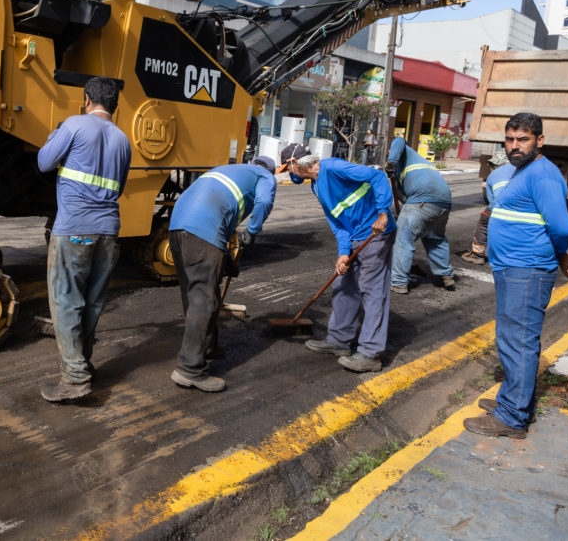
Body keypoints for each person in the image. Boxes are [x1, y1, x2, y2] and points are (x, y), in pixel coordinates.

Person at [464, 112, 568, 439]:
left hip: (527, 270)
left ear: (539, 141)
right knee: (511, 338)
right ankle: (514, 401)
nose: (514, 146)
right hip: (513, 268)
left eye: (523, 139)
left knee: (517, 341)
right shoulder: (523, 170)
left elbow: (561, 227)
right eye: (510, 139)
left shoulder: (543, 176)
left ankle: (512, 417)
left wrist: (562, 253)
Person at [36, 77, 131, 402]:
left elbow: (44, 162)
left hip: (74, 229)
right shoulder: (123, 140)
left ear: (87, 99)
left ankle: (75, 378)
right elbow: (119, 188)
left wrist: (55, 136)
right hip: (108, 232)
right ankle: (83, 365)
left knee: (66, 302)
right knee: (91, 303)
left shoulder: (74, 125)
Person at [167, 157, 278, 392]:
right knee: (204, 300)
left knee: (195, 295)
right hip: (202, 228)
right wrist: (252, 231)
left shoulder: (229, 170)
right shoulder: (265, 176)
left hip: (177, 227)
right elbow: (265, 200)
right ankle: (189, 369)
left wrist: (226, 260)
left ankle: (207, 348)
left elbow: (221, 216)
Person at [282, 142, 395, 372]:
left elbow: (378, 176)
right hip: (353, 237)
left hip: (375, 233)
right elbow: (336, 221)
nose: (288, 174)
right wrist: (343, 252)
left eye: (287, 169)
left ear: (295, 163)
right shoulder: (316, 185)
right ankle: (338, 341)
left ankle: (370, 353)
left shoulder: (334, 167)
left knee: (372, 291)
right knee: (343, 285)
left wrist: (383, 212)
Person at [386, 137, 455, 294]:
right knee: (435, 239)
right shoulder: (414, 165)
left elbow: (399, 140)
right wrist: (406, 214)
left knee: (403, 240)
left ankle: (398, 282)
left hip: (423, 199)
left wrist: (391, 162)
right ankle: (447, 276)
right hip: (443, 202)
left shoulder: (403, 151)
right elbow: (402, 196)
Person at [460, 160, 515, 265]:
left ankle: (477, 254)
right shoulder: (521, 169)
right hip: (524, 207)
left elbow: (492, 201)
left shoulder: (493, 175)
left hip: (501, 207)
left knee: (484, 222)